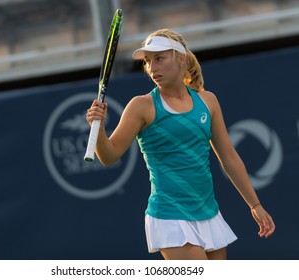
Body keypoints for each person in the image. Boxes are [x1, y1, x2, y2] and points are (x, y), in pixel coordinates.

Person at [85, 28, 275, 260]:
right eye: (147, 61)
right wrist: (100, 128)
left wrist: (254, 204)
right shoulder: (141, 106)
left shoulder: (208, 101)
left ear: (181, 58)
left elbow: (229, 157)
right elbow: (109, 155)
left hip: (208, 212)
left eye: (159, 58)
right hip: (169, 217)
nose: (152, 68)